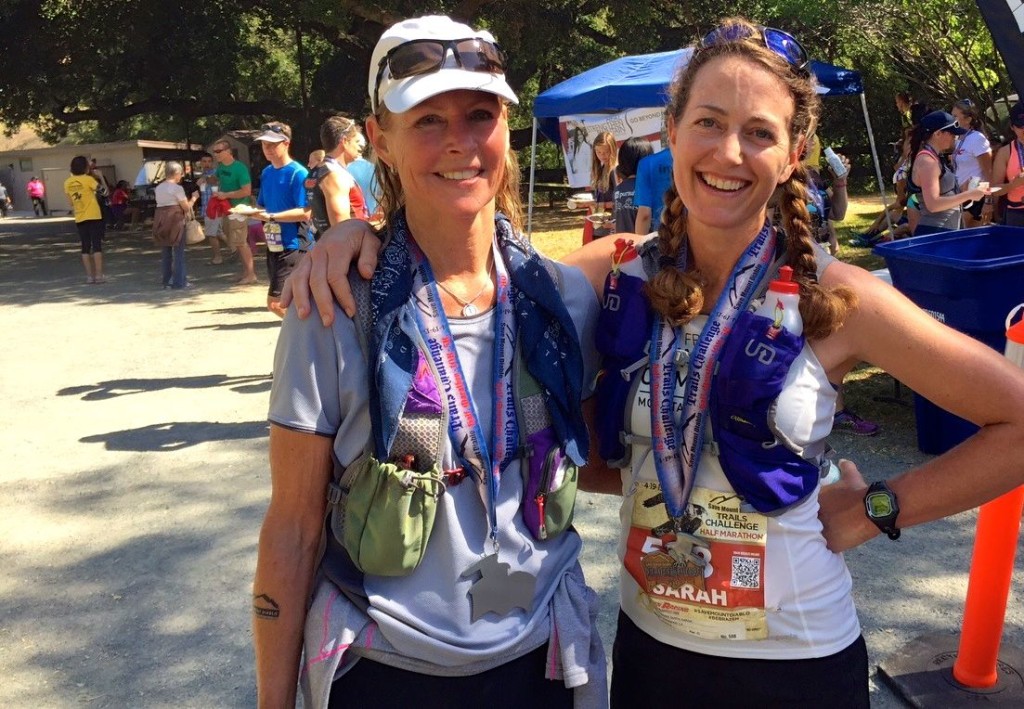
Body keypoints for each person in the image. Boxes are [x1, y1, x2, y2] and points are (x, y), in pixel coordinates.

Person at [284, 18, 1024, 706]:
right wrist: (358, 239)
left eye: (758, 132)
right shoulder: (619, 274)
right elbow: (472, 282)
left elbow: (1014, 422)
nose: (728, 153)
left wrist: (878, 509)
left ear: (794, 152)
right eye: (707, 122)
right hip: (651, 651)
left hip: (798, 660)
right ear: (672, 132)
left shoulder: (839, 297)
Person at [253, 15, 605, 709]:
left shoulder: (562, 298)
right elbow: (293, 528)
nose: (460, 144)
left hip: (543, 663)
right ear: (378, 137)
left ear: (507, 125)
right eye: (427, 121)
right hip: (386, 671)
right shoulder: (332, 308)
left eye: (480, 115)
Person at [251, 121, 311, 318]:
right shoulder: (267, 172)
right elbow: (262, 205)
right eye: (264, 144)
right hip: (273, 243)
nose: (267, 149)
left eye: (272, 144)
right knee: (289, 300)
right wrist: (249, 212)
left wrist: (272, 217)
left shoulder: (298, 172)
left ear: (286, 143)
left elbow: (306, 212)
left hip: (294, 244)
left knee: (276, 303)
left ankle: (305, 336)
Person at [906, 110, 988, 235]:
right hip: (935, 233)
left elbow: (944, 193)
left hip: (945, 231)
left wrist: (964, 188)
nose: (955, 137)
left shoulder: (934, 158)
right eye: (951, 133)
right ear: (938, 133)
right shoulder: (928, 162)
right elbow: (933, 204)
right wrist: (969, 195)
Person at [305, 116, 368, 243]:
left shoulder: (317, 171)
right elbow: (342, 228)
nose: (359, 148)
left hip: (327, 247)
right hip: (347, 253)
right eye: (356, 142)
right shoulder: (335, 175)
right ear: (344, 141)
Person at [210, 139, 257, 284]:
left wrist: (226, 195)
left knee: (241, 242)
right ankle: (245, 273)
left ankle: (251, 274)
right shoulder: (220, 167)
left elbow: (246, 191)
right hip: (227, 210)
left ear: (228, 152)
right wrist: (207, 179)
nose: (215, 154)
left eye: (218, 151)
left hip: (239, 210)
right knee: (236, 243)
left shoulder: (239, 168)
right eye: (214, 151)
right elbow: (215, 179)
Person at [151, 161, 198, 289]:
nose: (181, 176)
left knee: (166, 251)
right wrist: (194, 198)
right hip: (175, 219)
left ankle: (166, 280)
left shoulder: (159, 187)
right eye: (181, 174)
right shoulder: (177, 188)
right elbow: (186, 207)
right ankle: (179, 282)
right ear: (176, 173)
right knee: (179, 252)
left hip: (161, 219)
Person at [950, 99, 994, 227]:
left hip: (975, 196)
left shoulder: (977, 138)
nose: (952, 120)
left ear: (968, 119)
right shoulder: (958, 139)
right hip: (960, 195)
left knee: (961, 231)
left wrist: (988, 201)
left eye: (955, 116)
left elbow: (988, 173)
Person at [64, 155, 107, 284]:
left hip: (80, 216)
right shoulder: (89, 180)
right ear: (85, 167)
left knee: (85, 246)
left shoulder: (67, 183)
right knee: (97, 245)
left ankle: (89, 276)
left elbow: (71, 203)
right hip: (94, 215)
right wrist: (101, 178)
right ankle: (99, 276)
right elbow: (105, 192)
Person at [632, 125, 674, 235]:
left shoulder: (647, 163)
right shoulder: (698, 161)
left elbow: (644, 214)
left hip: (661, 235)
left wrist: (640, 246)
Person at [991, 101, 1024, 227]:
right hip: (1016, 214)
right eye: (1020, 126)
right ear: (1012, 127)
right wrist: (1013, 185)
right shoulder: (1005, 152)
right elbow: (994, 190)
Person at [612, 137, 653, 234]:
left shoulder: (618, 190)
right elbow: (645, 215)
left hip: (624, 245)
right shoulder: (647, 187)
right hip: (645, 245)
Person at [587, 131, 618, 239]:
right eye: (598, 152)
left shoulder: (614, 171)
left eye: (605, 152)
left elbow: (619, 201)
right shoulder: (600, 169)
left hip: (611, 226)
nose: (602, 155)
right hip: (599, 225)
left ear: (613, 150)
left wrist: (601, 205)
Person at [346, 131, 382, 221]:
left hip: (352, 220)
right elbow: (380, 194)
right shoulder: (374, 168)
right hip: (373, 219)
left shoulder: (343, 170)